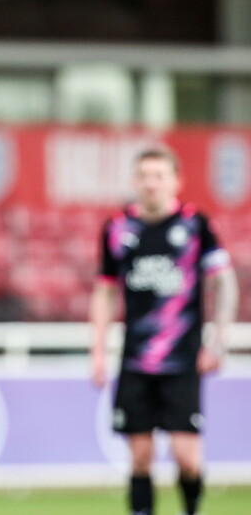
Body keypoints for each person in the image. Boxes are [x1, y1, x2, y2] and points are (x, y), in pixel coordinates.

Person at [90, 147, 238, 515]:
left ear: (176, 181)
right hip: (135, 362)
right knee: (140, 458)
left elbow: (225, 284)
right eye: (144, 176)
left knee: (187, 458)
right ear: (134, 181)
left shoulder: (194, 225)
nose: (151, 183)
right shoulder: (117, 229)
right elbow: (105, 292)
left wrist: (217, 343)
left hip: (183, 361)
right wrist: (97, 350)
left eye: (159, 175)